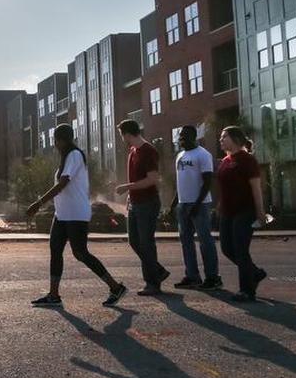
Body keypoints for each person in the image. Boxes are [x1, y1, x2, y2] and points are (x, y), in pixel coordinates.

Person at [27, 125, 127, 306]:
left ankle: (115, 287)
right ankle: (53, 295)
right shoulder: (67, 158)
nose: (55, 144)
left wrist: (39, 203)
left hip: (76, 214)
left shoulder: (74, 155)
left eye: (55, 140)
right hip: (62, 214)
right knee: (55, 250)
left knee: (81, 253)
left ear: (61, 140)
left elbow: (63, 183)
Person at [115, 119, 170, 295]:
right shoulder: (132, 151)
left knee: (146, 243)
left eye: (121, 134)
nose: (121, 138)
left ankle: (152, 283)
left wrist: (127, 187)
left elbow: (152, 179)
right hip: (135, 203)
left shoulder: (148, 151)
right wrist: (129, 197)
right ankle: (158, 271)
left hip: (148, 203)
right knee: (134, 241)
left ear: (127, 134)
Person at [216, 126, 269, 302]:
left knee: (240, 250)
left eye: (224, 137)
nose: (221, 140)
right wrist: (219, 207)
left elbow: (256, 188)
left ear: (236, 139)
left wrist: (260, 212)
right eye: (221, 137)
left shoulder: (247, 160)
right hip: (227, 212)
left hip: (245, 211)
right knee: (227, 248)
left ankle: (246, 290)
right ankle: (255, 273)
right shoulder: (225, 161)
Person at [170, 125, 222, 290]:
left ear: (193, 137)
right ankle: (192, 276)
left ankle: (213, 278)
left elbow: (207, 182)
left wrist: (198, 204)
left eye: (184, 136)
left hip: (200, 204)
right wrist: (174, 204)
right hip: (183, 204)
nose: (181, 139)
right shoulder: (180, 156)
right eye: (180, 136)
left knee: (205, 240)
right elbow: (180, 183)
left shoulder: (203, 154)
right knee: (186, 242)